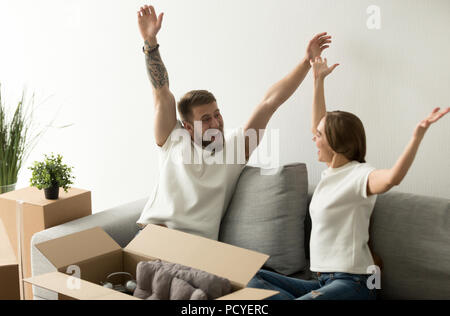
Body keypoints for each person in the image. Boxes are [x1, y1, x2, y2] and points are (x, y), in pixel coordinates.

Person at [247, 56, 450, 300]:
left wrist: (417, 136)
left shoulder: (359, 175)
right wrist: (318, 79)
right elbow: (318, 124)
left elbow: (392, 179)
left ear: (334, 142)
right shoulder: (331, 173)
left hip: (354, 283)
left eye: (319, 136)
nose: (313, 138)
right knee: (249, 278)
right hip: (320, 282)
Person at [134, 4, 334, 240]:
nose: (216, 122)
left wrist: (306, 62)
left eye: (217, 114)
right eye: (205, 119)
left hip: (196, 250)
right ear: (187, 127)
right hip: (153, 237)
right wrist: (150, 42)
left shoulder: (236, 146)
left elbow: (269, 102)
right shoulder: (172, 139)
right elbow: (161, 92)